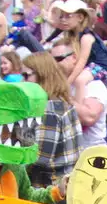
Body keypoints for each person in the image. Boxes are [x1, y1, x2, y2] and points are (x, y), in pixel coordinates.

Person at [20, 51, 83, 188]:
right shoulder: (59, 103)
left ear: (43, 75)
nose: (22, 81)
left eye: (26, 75)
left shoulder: (49, 108)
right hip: (62, 187)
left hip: (51, 190)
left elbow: (39, 158)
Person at [50, 39, 107, 150]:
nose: (55, 64)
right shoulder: (60, 83)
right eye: (52, 60)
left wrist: (62, 95)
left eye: (58, 59)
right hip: (66, 154)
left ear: (74, 57)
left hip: (90, 154)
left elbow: (89, 117)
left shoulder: (93, 85)